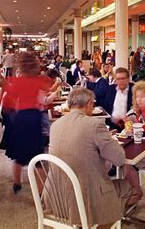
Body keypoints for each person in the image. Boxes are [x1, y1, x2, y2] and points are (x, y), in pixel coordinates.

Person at [48, 87, 131, 227]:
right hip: (85, 198)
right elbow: (119, 159)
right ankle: (104, 222)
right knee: (126, 186)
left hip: (55, 197)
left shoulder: (55, 125)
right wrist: (110, 141)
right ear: (89, 104)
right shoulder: (94, 124)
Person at [1, 52, 51, 193]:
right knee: (37, 155)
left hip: (20, 118)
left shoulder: (14, 82)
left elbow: (6, 104)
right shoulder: (40, 80)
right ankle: (41, 191)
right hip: (34, 118)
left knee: (18, 154)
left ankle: (17, 183)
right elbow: (47, 93)